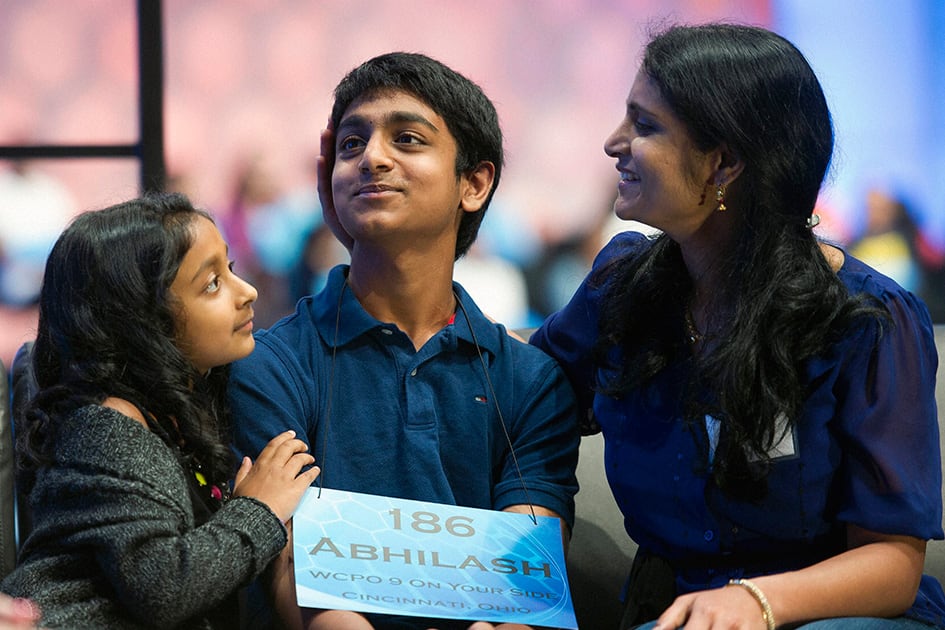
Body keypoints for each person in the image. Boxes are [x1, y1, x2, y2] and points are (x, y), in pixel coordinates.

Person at [530, 23, 945, 630]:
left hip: (832, 618)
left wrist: (755, 601)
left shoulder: (867, 319)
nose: (613, 143)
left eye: (644, 126)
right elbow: (520, 395)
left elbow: (891, 566)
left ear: (723, 163)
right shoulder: (620, 288)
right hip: (676, 615)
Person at [228, 52, 580, 630]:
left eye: (408, 139)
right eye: (350, 144)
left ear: (474, 183)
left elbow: (526, 589)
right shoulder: (272, 365)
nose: (372, 158)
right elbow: (288, 570)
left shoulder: (531, 381)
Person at [0, 193, 321, 628]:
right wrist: (259, 510)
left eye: (231, 269)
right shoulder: (107, 425)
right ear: (142, 320)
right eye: (212, 284)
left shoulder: (190, 398)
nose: (247, 292)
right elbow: (165, 589)